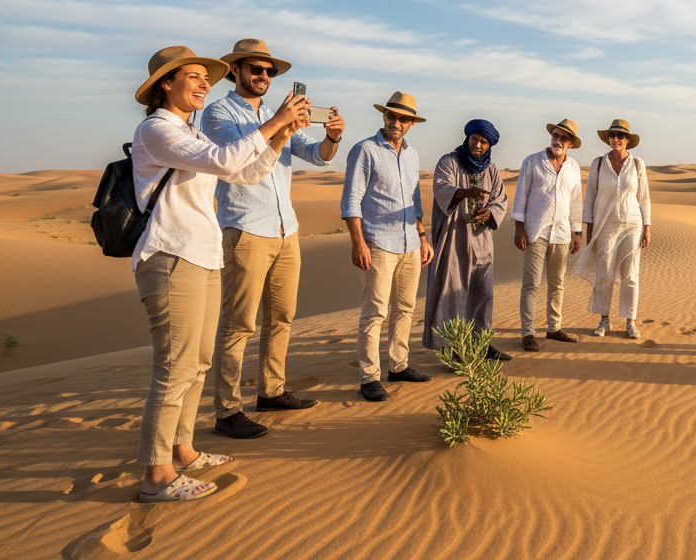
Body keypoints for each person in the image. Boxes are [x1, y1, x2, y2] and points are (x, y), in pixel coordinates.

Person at [130, 45, 307, 502]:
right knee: (174, 367)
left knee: (197, 363)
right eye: (193, 76)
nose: (204, 83)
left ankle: (184, 450)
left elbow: (244, 174)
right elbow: (229, 161)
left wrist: (281, 137)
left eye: (205, 77)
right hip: (171, 256)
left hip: (204, 256)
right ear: (165, 85)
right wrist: (271, 124)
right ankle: (155, 474)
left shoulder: (189, 132)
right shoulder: (157, 130)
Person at [201, 39, 345, 440]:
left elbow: (317, 155)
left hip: (286, 229)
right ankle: (227, 410)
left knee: (282, 317)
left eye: (269, 71)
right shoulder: (218, 112)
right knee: (238, 323)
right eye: (256, 69)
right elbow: (236, 160)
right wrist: (280, 121)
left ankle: (272, 391)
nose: (264, 76)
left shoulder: (274, 113)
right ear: (236, 71)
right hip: (246, 228)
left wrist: (332, 136)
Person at [342, 92, 435, 402]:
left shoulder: (412, 155)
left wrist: (423, 237)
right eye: (392, 116)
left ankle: (399, 365)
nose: (397, 122)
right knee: (375, 312)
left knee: (405, 309)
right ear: (383, 116)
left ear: (411, 123)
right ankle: (369, 378)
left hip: (410, 241)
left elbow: (415, 199)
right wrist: (359, 243)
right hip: (379, 243)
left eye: (404, 118)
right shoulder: (364, 150)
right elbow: (351, 201)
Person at [421, 120, 510, 359]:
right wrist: (464, 193)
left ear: (489, 145)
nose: (477, 145)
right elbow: (441, 189)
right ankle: (453, 349)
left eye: (483, 141)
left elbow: (501, 200)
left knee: (483, 293)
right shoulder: (448, 162)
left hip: (482, 240)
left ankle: (482, 343)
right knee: (453, 295)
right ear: (467, 138)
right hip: (453, 240)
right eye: (474, 139)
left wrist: (489, 212)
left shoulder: (491, 169)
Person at [512, 119, 585, 352]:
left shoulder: (573, 167)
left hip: (562, 233)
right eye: (556, 135)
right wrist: (519, 228)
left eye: (564, 138)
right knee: (531, 284)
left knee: (557, 284)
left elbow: (575, 201)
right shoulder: (532, 162)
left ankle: (554, 328)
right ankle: (527, 332)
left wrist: (577, 232)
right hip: (536, 231)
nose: (558, 140)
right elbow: (521, 196)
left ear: (570, 143)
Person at [575, 120, 652, 339]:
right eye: (612, 135)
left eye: (620, 136)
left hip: (632, 224)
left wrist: (647, 226)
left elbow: (644, 197)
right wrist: (588, 225)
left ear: (628, 140)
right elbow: (590, 196)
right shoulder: (599, 164)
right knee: (604, 273)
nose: (615, 139)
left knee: (630, 275)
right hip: (605, 225)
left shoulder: (637, 164)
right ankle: (604, 320)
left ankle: (630, 321)